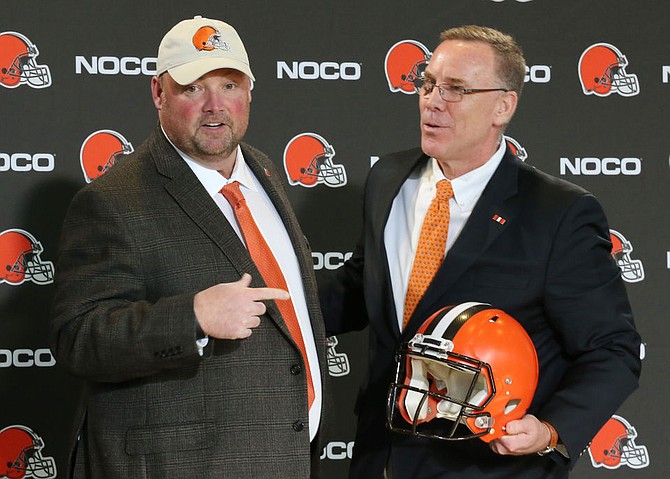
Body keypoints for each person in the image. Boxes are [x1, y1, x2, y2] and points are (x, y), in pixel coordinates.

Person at [319, 25, 642, 478]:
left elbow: (613, 349)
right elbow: (362, 285)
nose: (433, 100)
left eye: (456, 89)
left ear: (503, 106)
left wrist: (550, 429)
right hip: (382, 456)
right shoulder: (388, 179)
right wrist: (278, 306)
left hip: (489, 467)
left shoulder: (559, 213)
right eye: (428, 83)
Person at [51, 16, 327, 479]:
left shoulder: (262, 172)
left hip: (290, 458)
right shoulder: (111, 201)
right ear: (159, 93)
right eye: (193, 89)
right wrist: (193, 317)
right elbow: (78, 339)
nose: (216, 106)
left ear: (250, 91)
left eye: (230, 85)